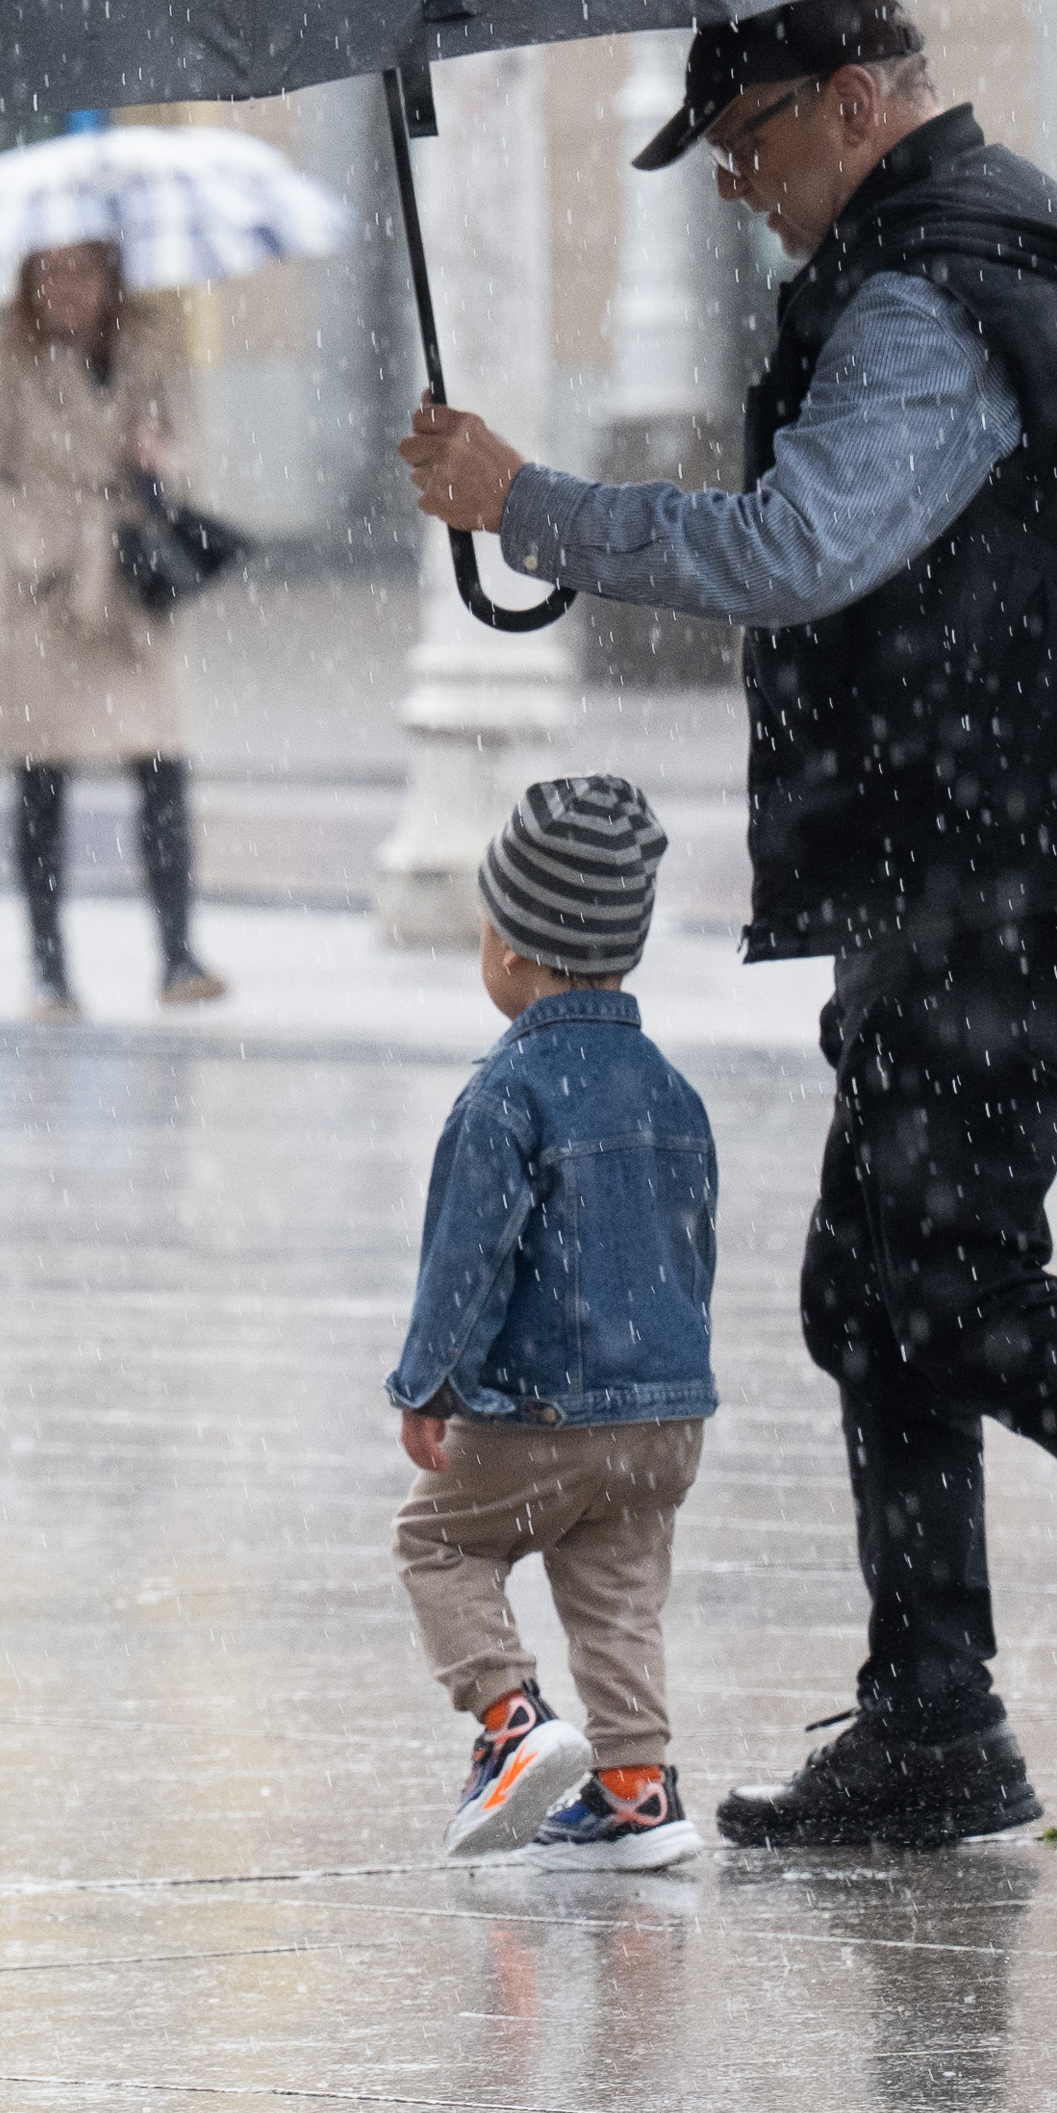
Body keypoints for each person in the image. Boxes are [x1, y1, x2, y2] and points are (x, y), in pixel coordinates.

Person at [398, 0, 1057, 1845]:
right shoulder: (997, 242)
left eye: (746, 141)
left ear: (850, 104)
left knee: (947, 1284)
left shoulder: (929, 291)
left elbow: (794, 548)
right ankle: (934, 1717)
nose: (732, 184)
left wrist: (528, 503)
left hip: (1020, 869)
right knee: (877, 1286)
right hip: (1000, 855)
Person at [387, 775, 717, 1872]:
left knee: (438, 1541)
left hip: (548, 1408)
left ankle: (510, 1722)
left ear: (513, 948)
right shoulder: (671, 1090)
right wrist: (671, 1383)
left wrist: (429, 1382)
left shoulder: (507, 1093)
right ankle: (635, 1791)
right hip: (665, 1416)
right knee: (618, 1588)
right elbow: (693, 1246)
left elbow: (467, 1260)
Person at [0, 239, 225, 1021]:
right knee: (42, 779)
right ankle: (49, 969)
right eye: (49, 273)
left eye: (82, 271)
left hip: (128, 587)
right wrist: (43, 544)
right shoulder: (4, 357)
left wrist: (158, 462)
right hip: (41, 597)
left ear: (111, 275)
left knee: (162, 764)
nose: (65, 289)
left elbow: (189, 457)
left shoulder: (147, 347)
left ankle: (178, 953)